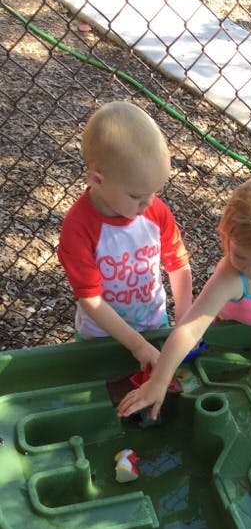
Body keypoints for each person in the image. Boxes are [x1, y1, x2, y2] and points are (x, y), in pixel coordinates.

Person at [118, 173, 251, 421]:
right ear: (226, 237)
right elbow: (189, 329)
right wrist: (159, 381)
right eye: (240, 255)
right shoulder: (230, 276)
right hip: (225, 335)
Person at [58, 100, 193, 371]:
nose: (148, 204)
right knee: (101, 387)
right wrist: (137, 345)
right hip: (100, 336)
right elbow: (90, 299)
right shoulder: (79, 227)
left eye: (154, 192)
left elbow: (178, 263)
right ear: (97, 180)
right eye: (136, 196)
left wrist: (184, 317)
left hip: (154, 323)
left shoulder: (154, 211)